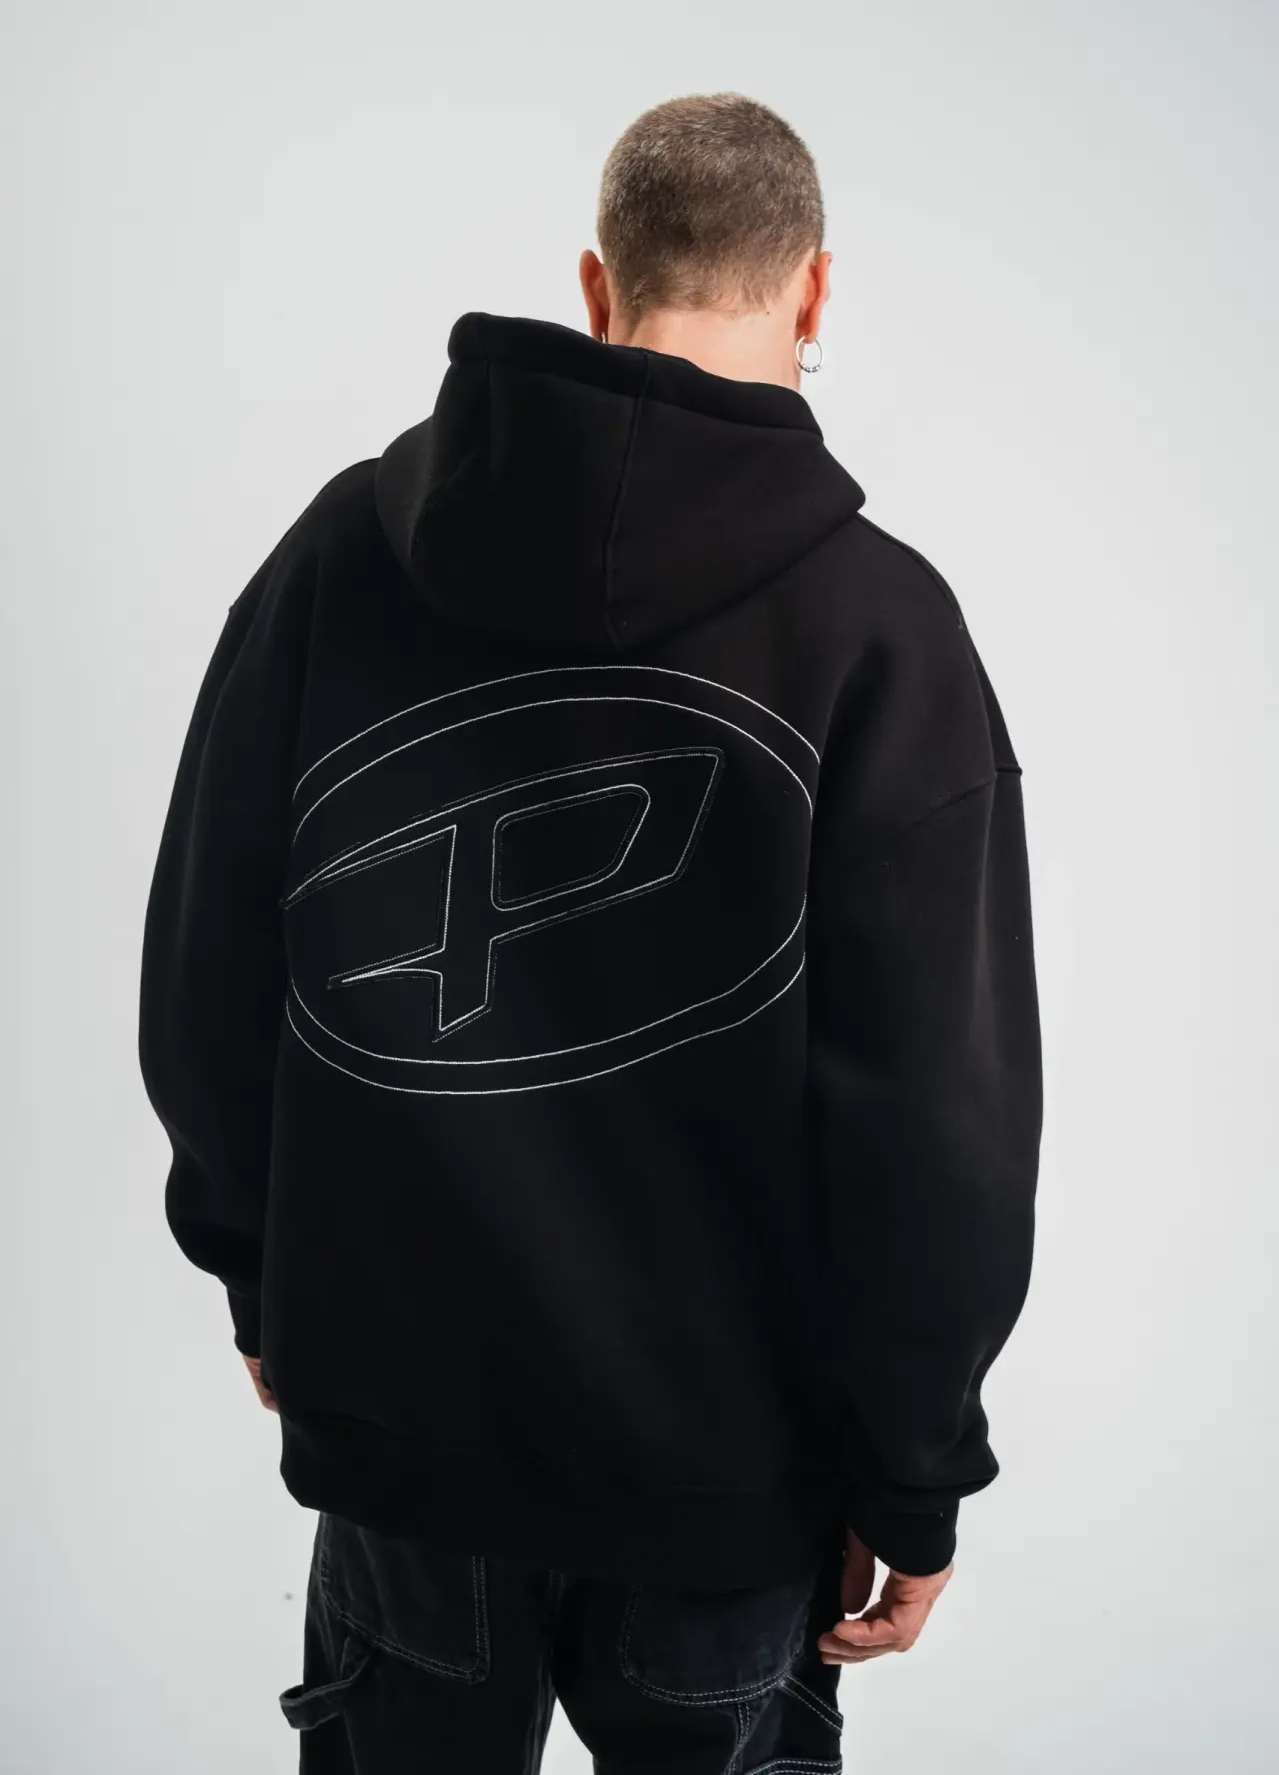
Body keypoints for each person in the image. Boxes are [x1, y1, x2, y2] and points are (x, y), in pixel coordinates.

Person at [139, 91, 1042, 1773]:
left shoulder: (345, 552)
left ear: (595, 281)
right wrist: (914, 1469)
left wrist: (262, 1277)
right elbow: (937, 1120)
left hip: (403, 1439)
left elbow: (206, 959)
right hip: (727, 1482)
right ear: (814, 290)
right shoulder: (879, 628)